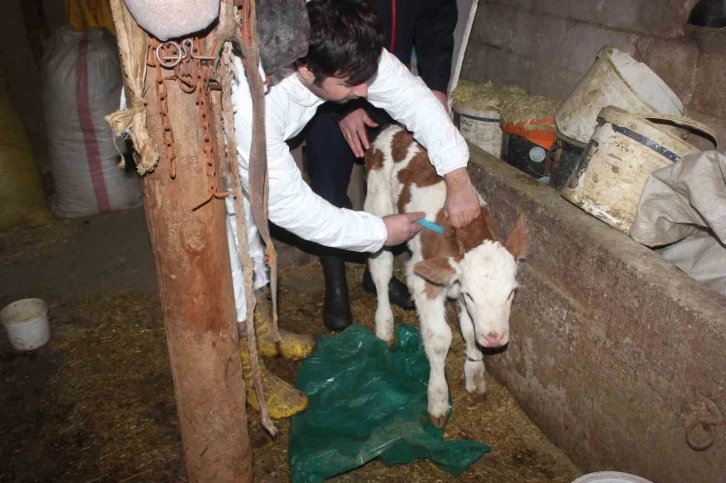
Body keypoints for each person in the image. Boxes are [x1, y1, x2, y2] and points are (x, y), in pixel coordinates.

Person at [229, 0, 481, 419]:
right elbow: (292, 207)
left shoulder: (343, 47)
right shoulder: (254, 104)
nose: (364, 93)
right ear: (306, 69)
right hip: (209, 158)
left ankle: (263, 328)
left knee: (252, 239)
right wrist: (380, 233)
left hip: (275, 124)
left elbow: (414, 99)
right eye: (351, 85)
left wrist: (458, 178)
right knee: (229, 246)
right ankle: (241, 366)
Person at [305, 0, 458, 331]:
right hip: (331, 88)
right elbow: (318, 35)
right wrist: (341, 108)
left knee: (385, 183)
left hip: (389, 81)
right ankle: (336, 286)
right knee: (329, 182)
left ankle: (377, 276)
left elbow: (438, 18)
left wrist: (435, 84)